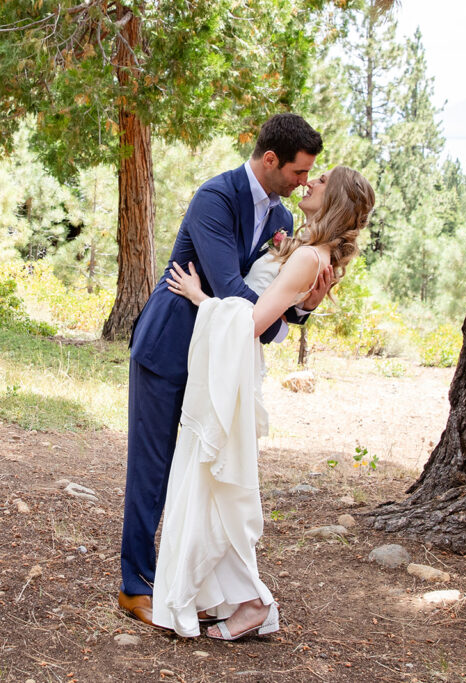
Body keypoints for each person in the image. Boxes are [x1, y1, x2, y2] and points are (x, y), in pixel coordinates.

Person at [118, 113, 333, 627]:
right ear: (269, 160)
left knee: (202, 471)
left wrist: (306, 308)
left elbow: (274, 298)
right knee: (153, 469)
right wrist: (277, 313)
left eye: (311, 176)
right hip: (169, 348)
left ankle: (188, 583)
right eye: (299, 172)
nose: (304, 182)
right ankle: (135, 586)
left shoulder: (282, 219)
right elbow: (231, 290)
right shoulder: (214, 198)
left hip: (218, 362)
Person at [154, 165, 376, 639]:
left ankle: (253, 601)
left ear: (333, 200)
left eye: (320, 182)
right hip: (233, 368)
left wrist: (200, 297)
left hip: (233, 369)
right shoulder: (310, 252)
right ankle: (222, 596)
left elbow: (253, 322)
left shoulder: (308, 258)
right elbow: (282, 305)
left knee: (218, 481)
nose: (309, 183)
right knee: (215, 482)